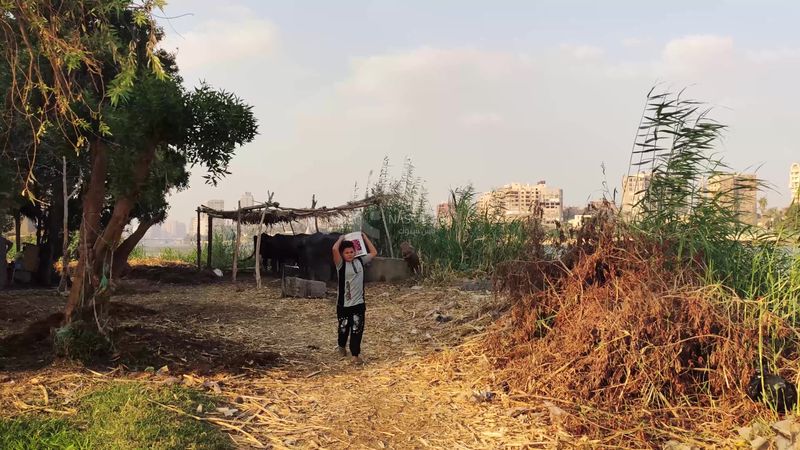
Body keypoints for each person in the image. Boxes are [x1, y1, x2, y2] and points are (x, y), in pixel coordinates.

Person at [332, 232, 378, 364]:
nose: (350, 254)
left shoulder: (360, 261)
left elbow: (374, 252)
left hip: (358, 303)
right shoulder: (340, 265)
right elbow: (334, 249)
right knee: (343, 328)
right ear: (342, 254)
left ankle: (355, 355)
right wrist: (341, 238)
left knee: (357, 329)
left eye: (352, 251)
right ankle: (341, 346)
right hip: (343, 304)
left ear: (355, 252)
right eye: (346, 252)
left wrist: (364, 237)